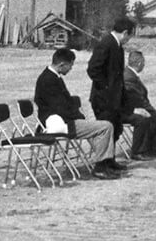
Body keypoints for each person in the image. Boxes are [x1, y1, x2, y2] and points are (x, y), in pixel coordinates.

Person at [34, 47, 121, 180]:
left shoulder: (51, 77)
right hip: (60, 123)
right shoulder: (48, 80)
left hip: (65, 119)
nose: (71, 69)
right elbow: (60, 108)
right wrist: (78, 117)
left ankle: (105, 164)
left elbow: (65, 104)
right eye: (71, 65)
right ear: (62, 64)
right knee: (106, 126)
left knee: (101, 126)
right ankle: (100, 167)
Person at [87, 17, 135, 144]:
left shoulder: (117, 46)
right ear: (125, 33)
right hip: (103, 99)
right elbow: (93, 69)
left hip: (113, 99)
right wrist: (107, 88)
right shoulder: (106, 43)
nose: (128, 40)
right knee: (106, 132)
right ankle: (103, 163)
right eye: (129, 37)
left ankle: (110, 161)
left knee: (115, 130)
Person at [121, 50, 156, 160]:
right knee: (145, 118)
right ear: (139, 63)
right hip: (125, 111)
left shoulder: (130, 74)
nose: (144, 65)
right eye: (144, 62)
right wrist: (149, 110)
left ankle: (151, 147)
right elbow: (137, 98)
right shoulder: (129, 77)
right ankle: (138, 151)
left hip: (134, 108)